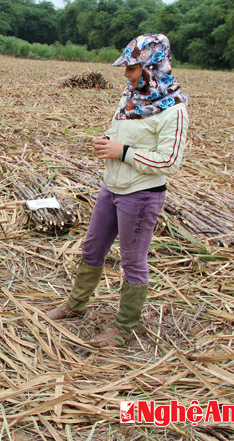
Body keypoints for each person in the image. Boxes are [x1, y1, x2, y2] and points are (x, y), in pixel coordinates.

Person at [47, 34, 189, 347]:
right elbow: (121, 135)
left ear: (152, 67)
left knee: (132, 262)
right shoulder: (131, 99)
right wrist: (107, 142)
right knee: (92, 249)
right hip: (111, 187)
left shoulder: (173, 111)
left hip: (141, 194)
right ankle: (75, 305)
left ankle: (123, 328)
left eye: (133, 68)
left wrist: (121, 151)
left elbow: (169, 162)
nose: (126, 74)